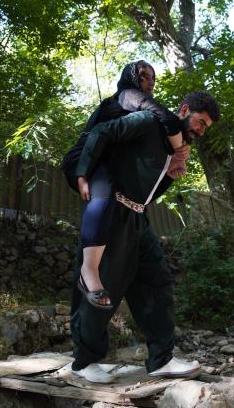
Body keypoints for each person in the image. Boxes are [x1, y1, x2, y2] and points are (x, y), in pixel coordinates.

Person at [67, 90, 220, 383]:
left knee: (157, 281)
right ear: (184, 110)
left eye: (205, 128)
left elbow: (147, 191)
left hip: (138, 218)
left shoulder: (175, 147)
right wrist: (82, 174)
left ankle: (161, 359)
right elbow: (101, 132)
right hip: (112, 211)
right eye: (200, 122)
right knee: (101, 283)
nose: (201, 131)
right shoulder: (148, 121)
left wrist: (171, 171)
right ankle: (84, 362)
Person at [61, 61, 189, 311]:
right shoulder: (128, 95)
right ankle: (88, 273)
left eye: (153, 78)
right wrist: (82, 173)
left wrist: (174, 162)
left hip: (104, 165)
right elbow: (169, 120)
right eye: (144, 76)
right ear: (131, 77)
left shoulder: (141, 117)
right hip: (83, 160)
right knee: (104, 191)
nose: (150, 82)